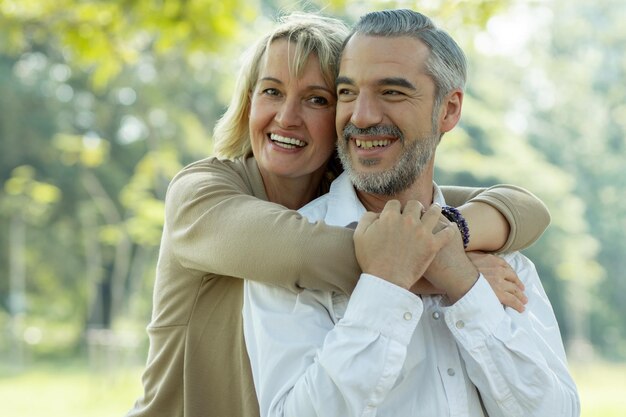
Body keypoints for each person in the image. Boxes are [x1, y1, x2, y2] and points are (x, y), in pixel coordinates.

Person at [127, 12, 552, 417]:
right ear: (247, 101)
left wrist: (451, 235)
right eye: (271, 91)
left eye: (317, 99)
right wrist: (452, 273)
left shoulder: (350, 191)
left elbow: (522, 206)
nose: (287, 117)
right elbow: (301, 252)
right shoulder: (203, 192)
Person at [243, 9, 580, 417]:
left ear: (449, 110)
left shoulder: (498, 254)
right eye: (347, 93)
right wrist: (385, 287)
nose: (362, 116)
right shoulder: (288, 259)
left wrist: (463, 283)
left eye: (392, 92)